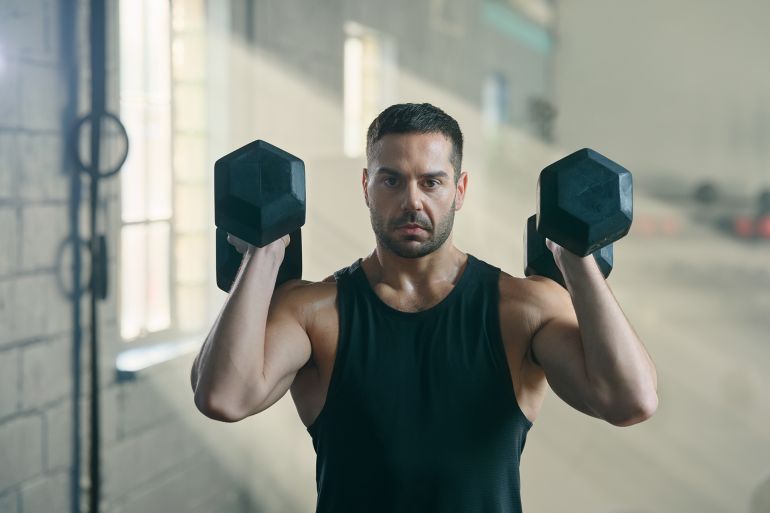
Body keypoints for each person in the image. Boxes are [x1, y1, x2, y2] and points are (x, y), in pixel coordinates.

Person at [191, 103, 659, 512]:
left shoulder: (524, 308)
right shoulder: (314, 311)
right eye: (391, 180)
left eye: (431, 181)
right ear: (366, 186)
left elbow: (630, 401)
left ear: (459, 189)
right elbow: (224, 398)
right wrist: (263, 253)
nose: (412, 201)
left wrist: (576, 262)